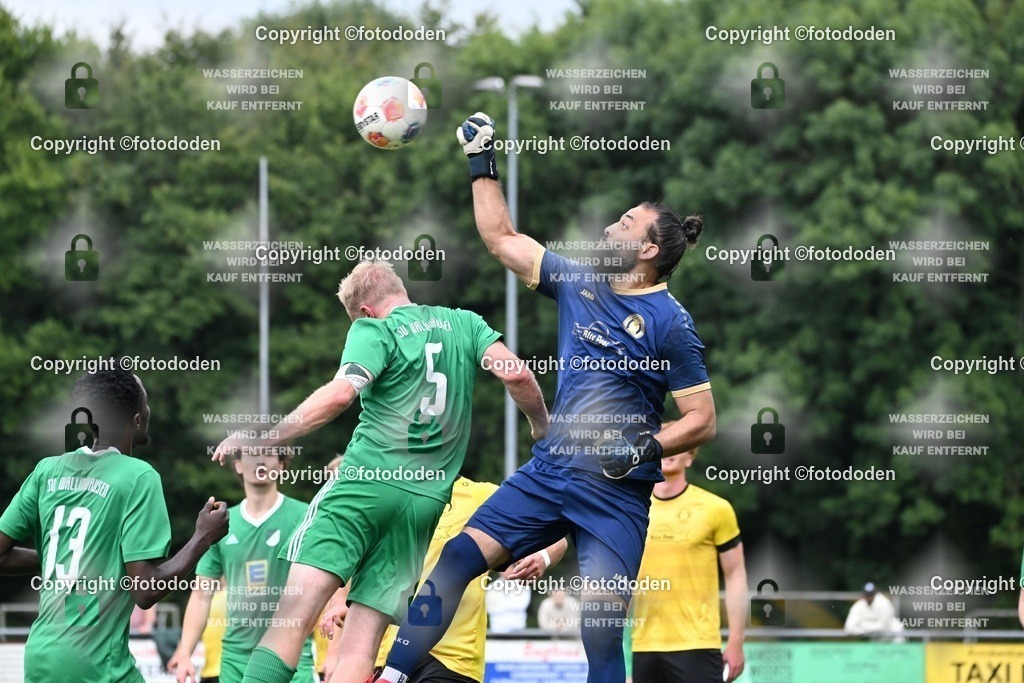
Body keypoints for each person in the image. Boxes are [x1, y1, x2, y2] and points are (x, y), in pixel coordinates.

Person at [377, 113, 716, 683]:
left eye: (625, 223)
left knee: (601, 630)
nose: (610, 228)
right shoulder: (581, 280)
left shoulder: (672, 324)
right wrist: (481, 163)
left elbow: (702, 420)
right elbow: (501, 238)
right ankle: (390, 676)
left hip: (615, 494)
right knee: (458, 558)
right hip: (551, 470)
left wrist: (643, 448)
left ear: (650, 248)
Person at [211, 260, 549, 683]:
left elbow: (339, 396)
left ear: (365, 312)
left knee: (289, 620)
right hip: (424, 502)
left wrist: (264, 440)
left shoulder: (375, 330)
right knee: (362, 643)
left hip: (364, 485)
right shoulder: (465, 323)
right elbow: (516, 372)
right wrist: (541, 428)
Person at [0, 369, 229, 682]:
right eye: (146, 405)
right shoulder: (139, 477)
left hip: (39, 656)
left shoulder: (46, 471)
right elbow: (145, 590)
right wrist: (202, 538)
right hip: (94, 665)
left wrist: (67, 558)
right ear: (136, 420)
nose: (149, 412)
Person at [321, 476, 567, 683]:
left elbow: (555, 535)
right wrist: (341, 599)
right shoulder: (393, 496)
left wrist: (543, 557)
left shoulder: (482, 495)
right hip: (388, 651)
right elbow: (368, 561)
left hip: (452, 658)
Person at [168, 448, 315, 682]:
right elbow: (201, 595)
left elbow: (326, 583)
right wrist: (185, 651)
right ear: (237, 465)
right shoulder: (221, 522)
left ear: (281, 465)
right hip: (236, 662)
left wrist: (335, 653)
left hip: (291, 658)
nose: (260, 460)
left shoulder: (305, 516)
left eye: (268, 454)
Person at [629, 448, 747, 682]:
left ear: (690, 457)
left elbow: (735, 575)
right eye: (662, 444)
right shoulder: (632, 510)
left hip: (698, 643)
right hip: (643, 644)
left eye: (678, 445)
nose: (668, 450)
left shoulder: (716, 508)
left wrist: (736, 641)